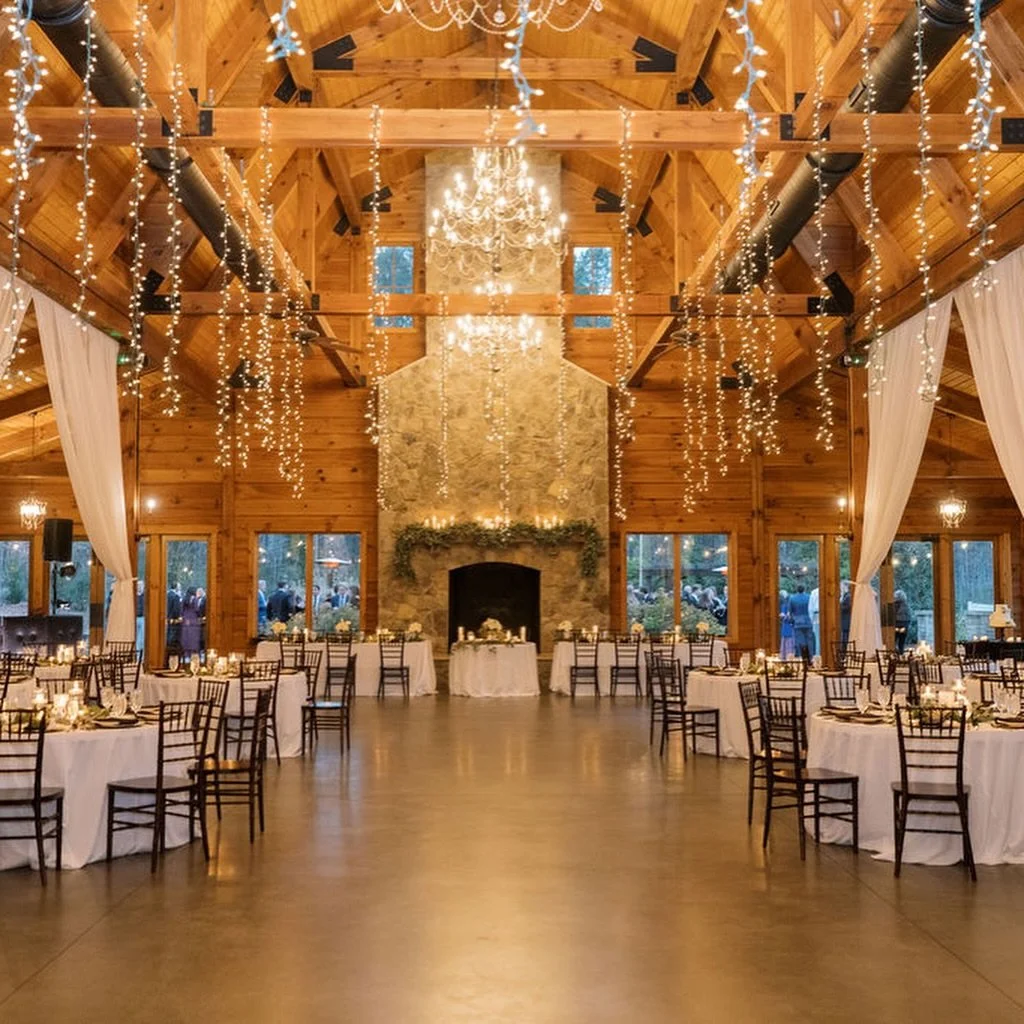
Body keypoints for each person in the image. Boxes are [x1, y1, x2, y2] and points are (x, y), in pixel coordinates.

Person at [788, 583, 815, 660]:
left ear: (797, 590)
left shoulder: (792, 598)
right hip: (808, 621)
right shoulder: (809, 597)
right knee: (809, 641)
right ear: (804, 589)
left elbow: (790, 611)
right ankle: (811, 658)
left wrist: (791, 620)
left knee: (800, 641)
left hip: (798, 622)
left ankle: (801, 658)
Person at [180, 586, 202, 657]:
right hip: (193, 620)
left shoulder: (184, 599)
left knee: (186, 637)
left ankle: (186, 653)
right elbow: (197, 609)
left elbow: (181, 610)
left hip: (185, 620)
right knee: (193, 638)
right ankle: (194, 654)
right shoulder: (195, 599)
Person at [166, 581, 182, 651]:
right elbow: (176, 610)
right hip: (173, 619)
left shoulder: (167, 595)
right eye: (179, 587)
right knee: (172, 637)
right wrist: (178, 617)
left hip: (167, 618)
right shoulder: (176, 596)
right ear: (176, 587)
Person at [894, 588, 911, 653]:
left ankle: (895, 654)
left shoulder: (893, 605)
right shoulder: (906, 605)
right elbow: (909, 616)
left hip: (896, 625)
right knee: (901, 642)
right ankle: (901, 653)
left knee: (894, 641)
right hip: (904, 625)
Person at [779, 589, 795, 658]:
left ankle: (787, 656)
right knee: (787, 642)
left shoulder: (786, 604)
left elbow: (788, 616)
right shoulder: (784, 604)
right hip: (787, 626)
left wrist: (784, 617)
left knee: (788, 642)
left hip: (788, 626)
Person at [839, 581, 852, 646]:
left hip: (846, 621)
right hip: (844, 621)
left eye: (841, 586)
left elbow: (847, 607)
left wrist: (839, 604)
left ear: (846, 587)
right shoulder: (845, 596)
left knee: (846, 638)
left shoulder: (848, 596)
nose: (840, 588)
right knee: (844, 638)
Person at [195, 586, 208, 651]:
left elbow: (202, 608)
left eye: (198, 592)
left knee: (203, 634)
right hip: (199, 619)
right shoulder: (198, 599)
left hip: (203, 619)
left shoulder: (205, 599)